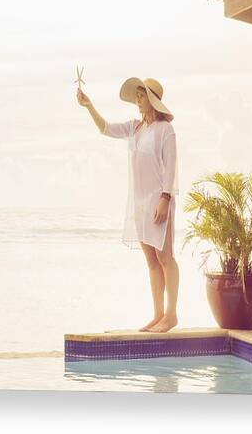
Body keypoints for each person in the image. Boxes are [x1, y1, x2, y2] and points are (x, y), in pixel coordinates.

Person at [77, 77, 180, 333]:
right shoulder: (135, 128)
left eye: (141, 96)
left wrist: (165, 198)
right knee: (151, 260)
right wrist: (89, 106)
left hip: (159, 200)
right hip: (140, 203)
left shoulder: (165, 130)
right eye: (137, 96)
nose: (137, 100)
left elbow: (171, 167)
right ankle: (157, 315)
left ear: (152, 100)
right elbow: (105, 128)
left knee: (165, 257)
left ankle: (171, 315)